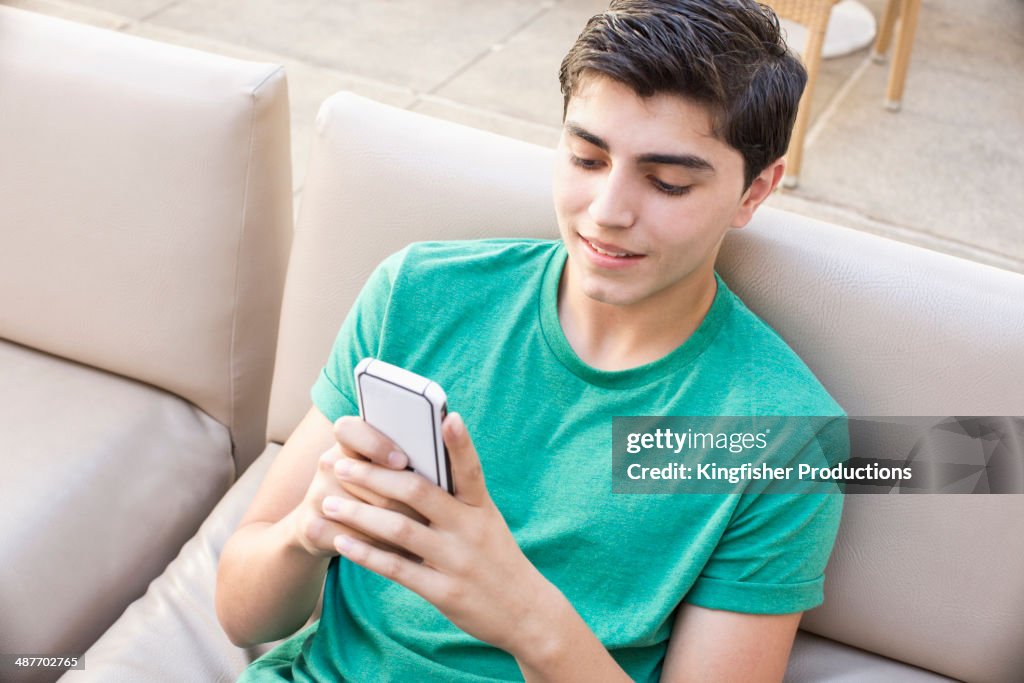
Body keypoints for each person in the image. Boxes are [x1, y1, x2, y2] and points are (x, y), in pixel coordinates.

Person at [216, 1, 846, 680]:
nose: (608, 213)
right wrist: (313, 527)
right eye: (586, 157)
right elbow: (240, 613)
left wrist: (520, 611)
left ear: (755, 191)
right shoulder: (418, 295)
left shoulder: (781, 434)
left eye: (667, 182)